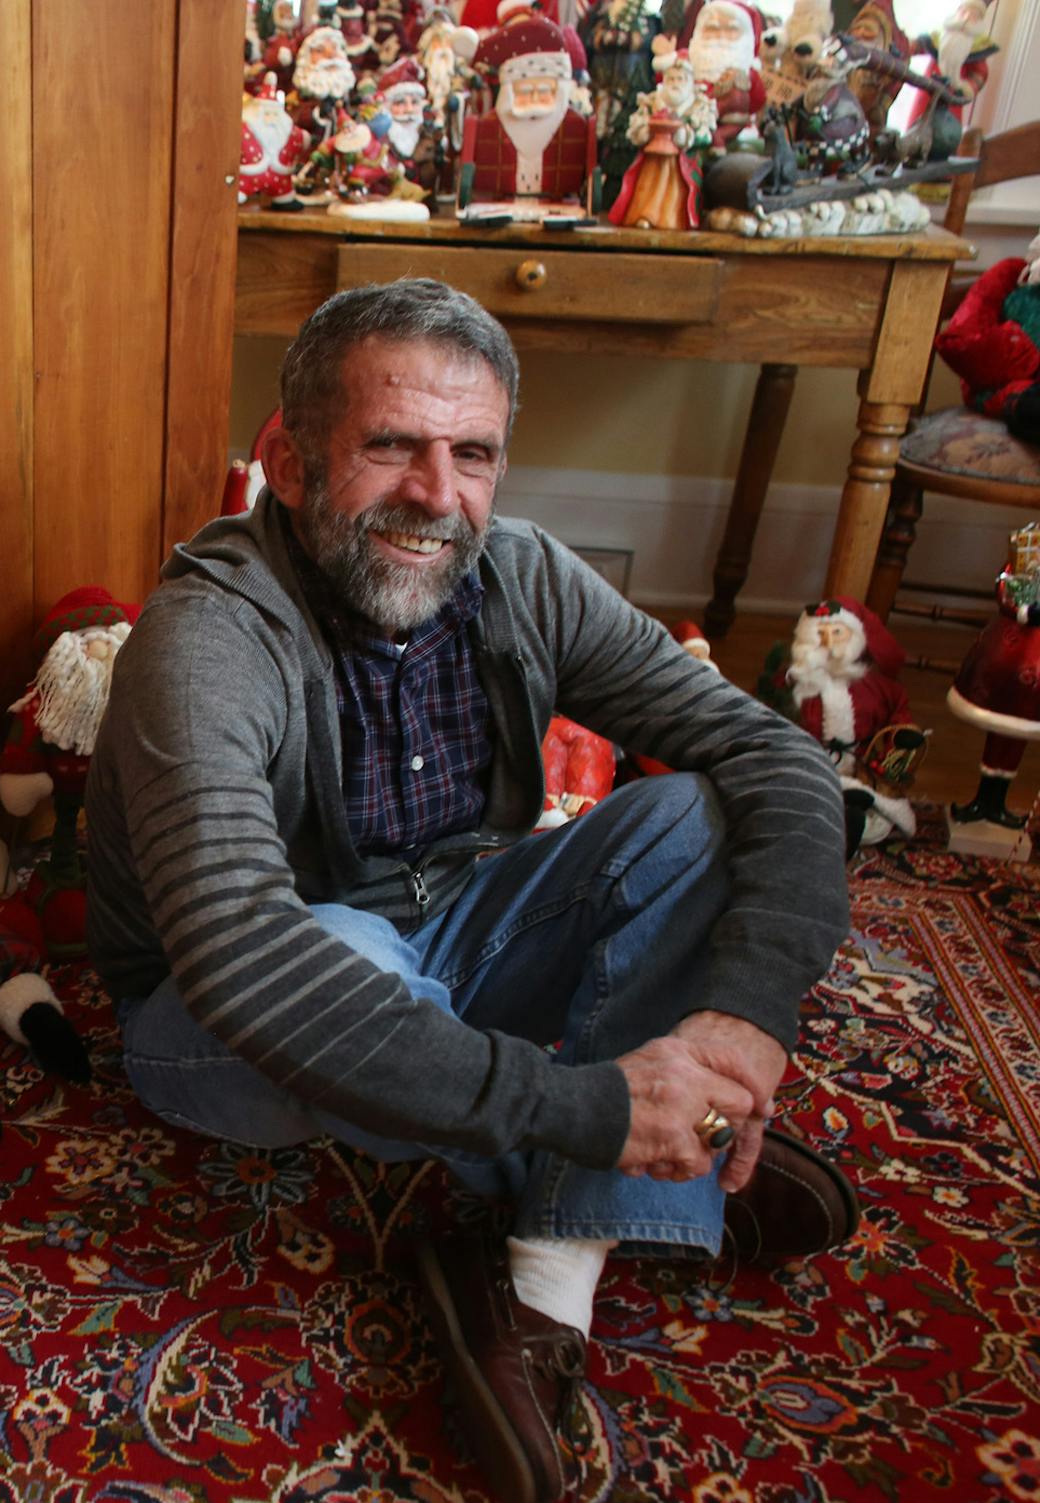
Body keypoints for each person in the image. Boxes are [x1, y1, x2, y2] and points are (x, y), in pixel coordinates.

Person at [86, 279, 856, 1503]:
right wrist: (603, 1111)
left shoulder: (525, 576)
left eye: (474, 455)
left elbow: (779, 763)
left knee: (695, 813)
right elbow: (242, 956)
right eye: (391, 445)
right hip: (221, 1017)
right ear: (285, 461)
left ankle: (545, 1261)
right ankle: (636, 1181)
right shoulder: (207, 639)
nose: (437, 497)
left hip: (457, 937)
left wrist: (740, 1026)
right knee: (345, 948)